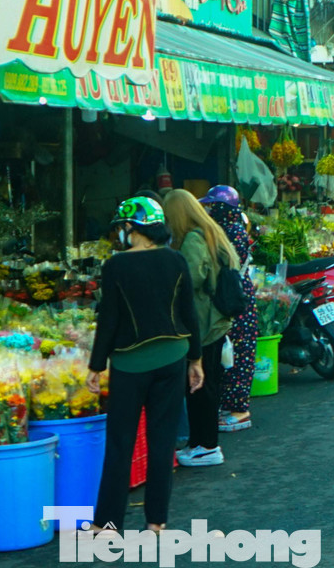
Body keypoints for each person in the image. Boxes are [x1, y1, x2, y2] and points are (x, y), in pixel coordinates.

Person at [88, 197, 203, 532]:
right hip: (173, 358)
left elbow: (108, 319)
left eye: (121, 228)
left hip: (129, 363)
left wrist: (96, 366)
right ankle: (157, 522)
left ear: (131, 228)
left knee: (120, 443)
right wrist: (195, 359)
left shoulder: (115, 266)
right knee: (162, 440)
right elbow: (188, 313)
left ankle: (106, 524)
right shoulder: (176, 260)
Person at [163, 189, 238, 467]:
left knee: (200, 386)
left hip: (205, 322)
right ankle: (199, 443)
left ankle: (207, 446)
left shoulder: (193, 239)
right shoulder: (210, 232)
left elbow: (191, 279)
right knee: (205, 385)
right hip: (215, 320)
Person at [201, 185, 258, 434]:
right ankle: (229, 406)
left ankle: (239, 411)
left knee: (239, 354)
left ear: (223, 208)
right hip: (234, 293)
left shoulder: (230, 231)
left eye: (213, 206)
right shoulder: (229, 228)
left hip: (234, 296)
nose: (210, 210)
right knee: (230, 352)